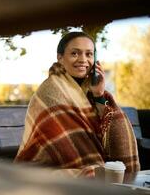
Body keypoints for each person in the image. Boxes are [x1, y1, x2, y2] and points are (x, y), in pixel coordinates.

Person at [14, 32, 140, 178]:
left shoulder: (93, 90)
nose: (83, 60)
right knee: (97, 175)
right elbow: (60, 141)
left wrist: (99, 95)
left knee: (106, 174)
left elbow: (111, 127)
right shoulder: (50, 91)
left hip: (96, 168)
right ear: (60, 57)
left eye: (89, 54)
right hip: (51, 170)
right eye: (75, 53)